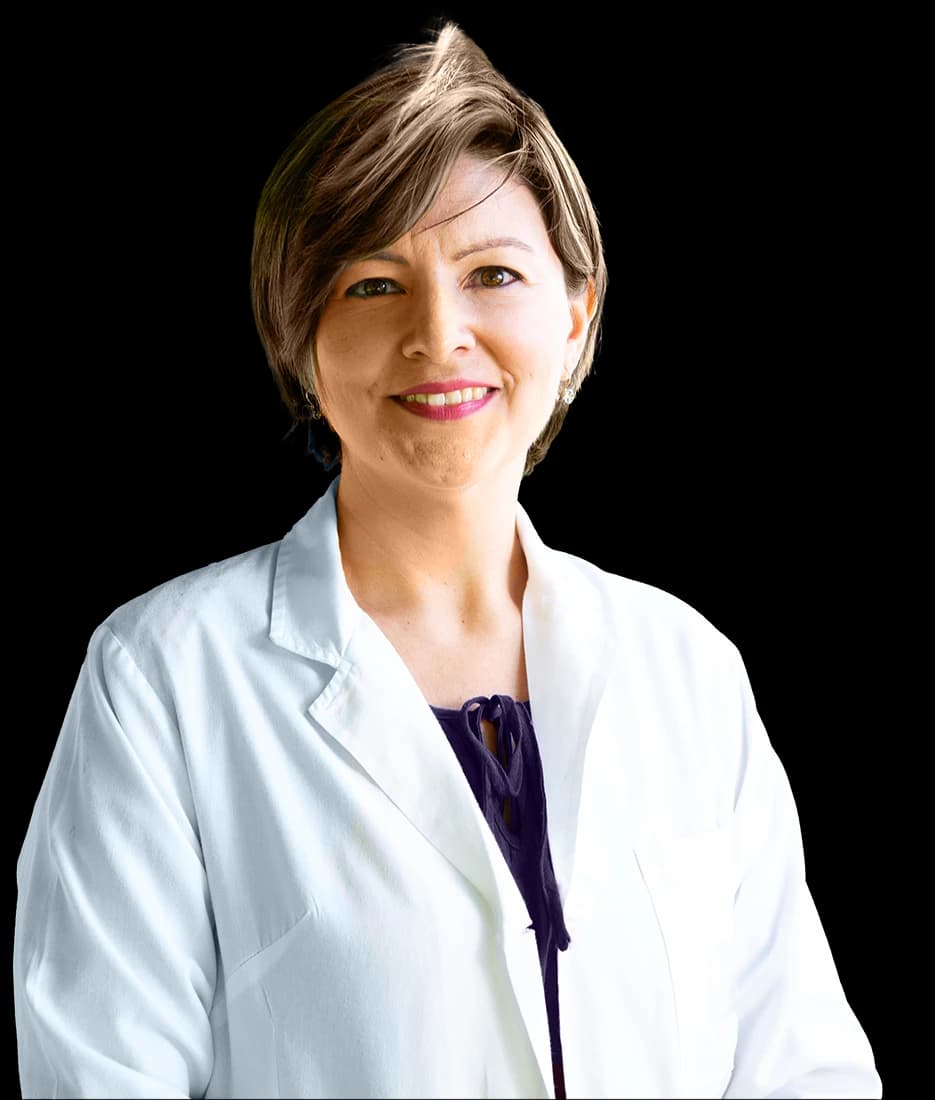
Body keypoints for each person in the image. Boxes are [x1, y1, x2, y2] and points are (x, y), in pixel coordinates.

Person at [13, 20, 882, 1100]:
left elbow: (803, 1070)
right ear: (301, 337)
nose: (438, 333)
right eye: (373, 284)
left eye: (492, 274)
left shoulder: (687, 669)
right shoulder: (162, 680)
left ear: (575, 318)